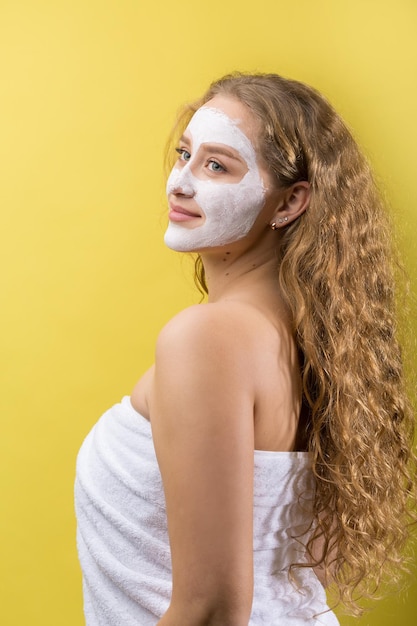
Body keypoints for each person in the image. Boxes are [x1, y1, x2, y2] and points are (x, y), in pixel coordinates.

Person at [75, 72, 416, 625]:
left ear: (289, 202)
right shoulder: (318, 342)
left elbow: (212, 610)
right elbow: (296, 567)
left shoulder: (208, 339)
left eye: (216, 165)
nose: (180, 182)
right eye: (184, 154)